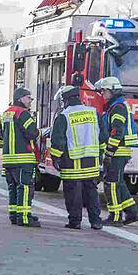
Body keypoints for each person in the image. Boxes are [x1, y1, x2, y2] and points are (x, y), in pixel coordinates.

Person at [49, 84, 103, 230]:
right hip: (91, 162)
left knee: (73, 193)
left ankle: (75, 221)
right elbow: (103, 136)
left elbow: (58, 141)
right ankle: (96, 221)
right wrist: (101, 156)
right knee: (91, 192)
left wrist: (55, 158)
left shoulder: (64, 116)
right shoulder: (93, 113)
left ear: (65, 100)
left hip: (71, 162)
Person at [94, 76, 138, 226]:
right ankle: (132, 212)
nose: (102, 94)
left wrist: (109, 152)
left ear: (112, 91)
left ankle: (115, 217)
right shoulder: (117, 105)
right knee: (119, 183)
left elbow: (117, 132)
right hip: (120, 151)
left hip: (118, 151)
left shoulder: (117, 107)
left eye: (104, 91)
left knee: (111, 183)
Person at [0, 87, 41, 227]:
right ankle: (24, 217)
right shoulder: (23, 114)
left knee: (13, 187)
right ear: (21, 98)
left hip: (8, 159)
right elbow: (32, 133)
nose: (30, 101)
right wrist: (39, 132)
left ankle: (14, 215)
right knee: (25, 187)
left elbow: (0, 136)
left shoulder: (6, 113)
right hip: (23, 158)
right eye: (29, 98)